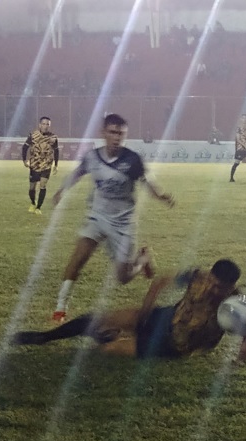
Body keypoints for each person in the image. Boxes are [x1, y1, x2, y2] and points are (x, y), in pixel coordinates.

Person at [51, 113, 175, 323]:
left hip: (123, 224)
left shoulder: (132, 159)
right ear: (103, 133)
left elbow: (148, 181)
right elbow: (77, 173)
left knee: (123, 278)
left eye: (121, 134)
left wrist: (161, 195)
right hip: (96, 218)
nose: (117, 138)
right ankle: (60, 308)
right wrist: (62, 190)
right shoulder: (92, 157)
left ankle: (143, 259)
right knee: (78, 258)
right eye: (113, 132)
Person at [14, 259, 246, 365]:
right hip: (166, 317)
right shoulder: (197, 276)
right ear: (209, 275)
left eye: (221, 288)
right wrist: (145, 312)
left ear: (231, 286)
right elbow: (160, 282)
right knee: (102, 318)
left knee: (109, 349)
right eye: (213, 283)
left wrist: (240, 360)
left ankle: (110, 336)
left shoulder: (237, 304)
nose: (214, 289)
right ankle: (44, 337)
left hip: (174, 345)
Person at [22, 116, 59, 215]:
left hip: (46, 164)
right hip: (35, 164)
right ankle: (33, 203)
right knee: (32, 188)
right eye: (43, 124)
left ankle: (38, 207)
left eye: (47, 124)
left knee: (43, 185)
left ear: (49, 126)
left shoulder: (53, 137)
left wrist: (56, 164)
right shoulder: (33, 135)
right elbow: (24, 147)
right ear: (39, 125)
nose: (45, 126)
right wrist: (24, 160)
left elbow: (56, 151)